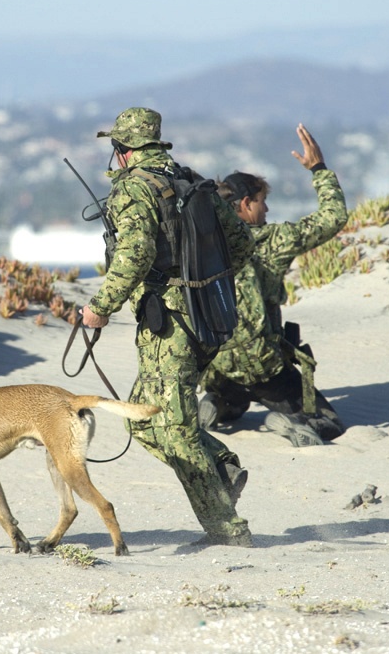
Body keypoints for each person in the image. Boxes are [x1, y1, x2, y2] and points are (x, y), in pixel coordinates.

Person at [80, 107, 254, 547]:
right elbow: (241, 243)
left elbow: (134, 255)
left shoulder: (135, 189)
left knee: (174, 430)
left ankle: (227, 530)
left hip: (170, 326)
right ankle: (222, 466)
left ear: (123, 149)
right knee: (142, 419)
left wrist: (100, 307)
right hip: (208, 314)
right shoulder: (191, 182)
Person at [198, 124, 349, 446]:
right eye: (262, 201)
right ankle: (293, 422)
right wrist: (319, 169)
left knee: (236, 397)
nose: (266, 209)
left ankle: (219, 403)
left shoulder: (203, 245)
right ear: (245, 203)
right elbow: (333, 217)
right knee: (332, 423)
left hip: (219, 365)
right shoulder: (273, 239)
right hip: (265, 368)